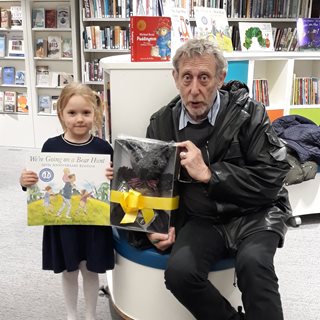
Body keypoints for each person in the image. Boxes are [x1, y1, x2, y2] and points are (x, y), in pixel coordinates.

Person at [128, 38, 292, 320]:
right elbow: (152, 185)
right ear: (175, 78)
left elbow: (272, 179)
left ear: (220, 78)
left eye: (204, 78)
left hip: (255, 214)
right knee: (180, 274)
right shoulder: (162, 123)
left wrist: (210, 174)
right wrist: (154, 228)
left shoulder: (250, 114)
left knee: (254, 265)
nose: (194, 90)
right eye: (187, 78)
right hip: (202, 219)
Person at [20, 82, 114, 320]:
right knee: (69, 271)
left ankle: (90, 315)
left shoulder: (104, 148)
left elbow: (113, 189)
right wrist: (26, 180)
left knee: (90, 271)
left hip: (93, 226)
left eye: (86, 112)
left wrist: (113, 178)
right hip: (63, 225)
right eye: (72, 113)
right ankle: (71, 315)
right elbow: (39, 182)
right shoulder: (51, 146)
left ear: (96, 113)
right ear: (61, 113)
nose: (79, 119)